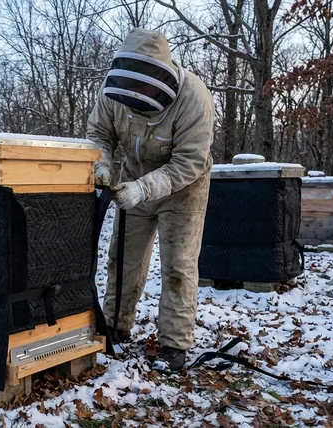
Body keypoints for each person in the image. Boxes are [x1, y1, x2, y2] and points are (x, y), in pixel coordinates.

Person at [86, 27, 215, 372]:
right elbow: (100, 132)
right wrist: (100, 165)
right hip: (131, 178)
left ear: (160, 75)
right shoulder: (112, 94)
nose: (138, 94)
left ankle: (174, 345)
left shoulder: (195, 98)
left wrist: (144, 188)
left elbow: (189, 161)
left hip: (184, 188)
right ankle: (116, 324)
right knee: (121, 259)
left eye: (145, 87)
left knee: (178, 267)